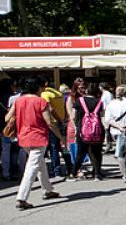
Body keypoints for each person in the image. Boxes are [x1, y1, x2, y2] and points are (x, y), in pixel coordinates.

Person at [7, 78, 65, 210]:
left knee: (40, 165)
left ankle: (48, 190)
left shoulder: (18, 101)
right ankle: (21, 198)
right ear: (37, 88)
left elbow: (7, 118)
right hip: (38, 138)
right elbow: (49, 122)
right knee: (32, 168)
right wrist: (61, 137)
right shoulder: (41, 101)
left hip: (23, 138)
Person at [105, 85, 126, 183]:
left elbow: (108, 119)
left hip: (117, 131)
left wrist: (119, 126)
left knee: (121, 153)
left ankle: (125, 175)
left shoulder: (112, 104)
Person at [72, 83, 106, 180]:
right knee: (97, 152)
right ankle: (97, 173)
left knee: (80, 152)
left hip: (82, 130)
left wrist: (76, 126)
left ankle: (73, 172)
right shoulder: (99, 102)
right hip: (97, 131)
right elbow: (102, 115)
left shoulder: (80, 101)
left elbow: (74, 116)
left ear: (87, 90)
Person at [40, 77, 72, 178]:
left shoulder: (44, 94)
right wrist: (63, 119)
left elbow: (50, 108)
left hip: (52, 123)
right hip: (62, 122)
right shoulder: (58, 93)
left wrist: (57, 118)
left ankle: (56, 170)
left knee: (53, 147)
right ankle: (70, 168)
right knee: (63, 146)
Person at [100, 82, 115, 154]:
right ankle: (109, 145)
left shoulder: (107, 94)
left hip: (106, 114)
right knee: (107, 130)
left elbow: (109, 104)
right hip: (105, 113)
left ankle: (108, 145)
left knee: (107, 130)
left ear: (101, 87)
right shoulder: (106, 94)